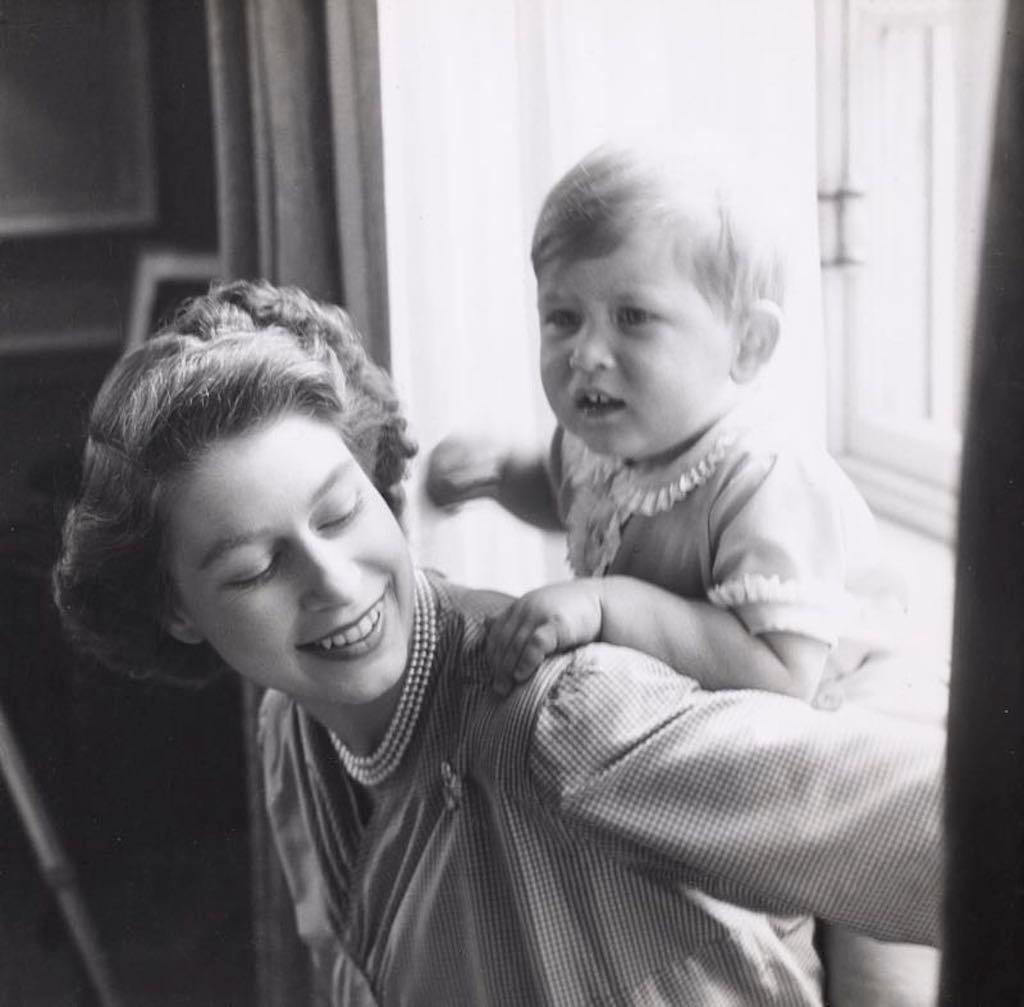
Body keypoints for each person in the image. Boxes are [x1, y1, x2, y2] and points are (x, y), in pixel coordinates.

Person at [53, 281, 943, 1006]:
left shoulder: (561, 717)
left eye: (341, 509)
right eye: (253, 568)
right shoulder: (292, 736)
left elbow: (930, 821)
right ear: (177, 610)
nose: (333, 579)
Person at [425, 145, 946, 1003]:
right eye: (562, 318)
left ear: (748, 345)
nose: (588, 353)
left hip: (851, 717)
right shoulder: (607, 443)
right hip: (735, 726)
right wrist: (498, 473)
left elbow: (777, 673)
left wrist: (607, 603)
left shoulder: (765, 476)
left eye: (633, 317)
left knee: (876, 955)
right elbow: (565, 494)